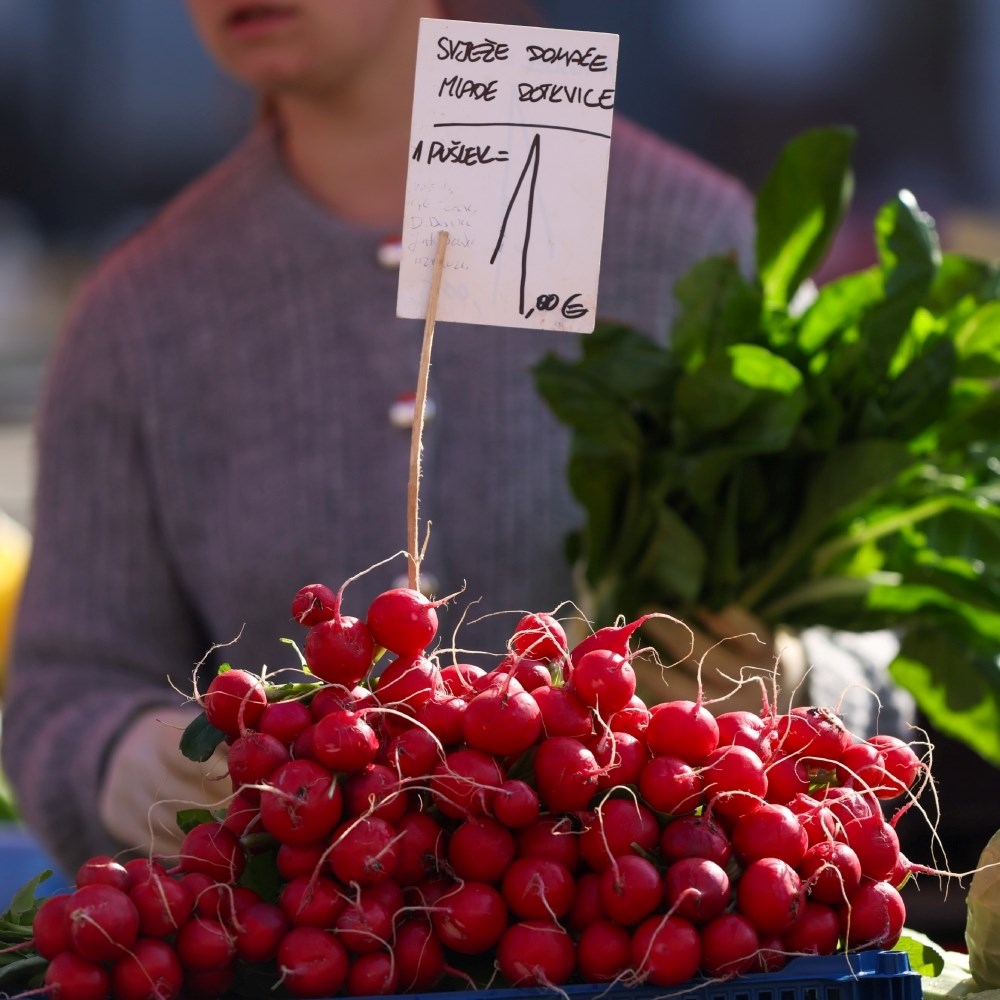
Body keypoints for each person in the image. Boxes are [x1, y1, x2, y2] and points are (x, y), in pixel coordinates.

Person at [0, 0, 901, 876]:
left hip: (647, 935)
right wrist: (148, 767)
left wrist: (793, 681)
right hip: (313, 954)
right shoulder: (139, 312)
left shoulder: (685, 243)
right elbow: (62, 692)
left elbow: (882, 666)